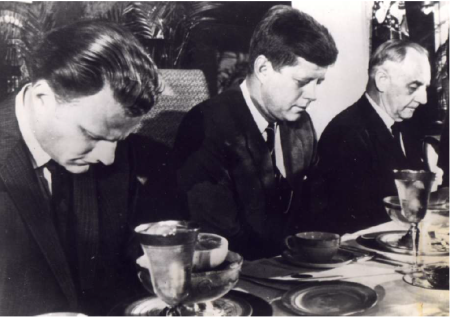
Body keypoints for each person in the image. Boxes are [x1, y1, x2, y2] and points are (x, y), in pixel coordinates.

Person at [0, 21, 162, 315]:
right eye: (92, 135)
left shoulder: (112, 146)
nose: (109, 158)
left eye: (119, 139)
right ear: (42, 98)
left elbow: (125, 267)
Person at [172, 5, 338, 260]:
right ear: (263, 68)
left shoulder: (301, 125)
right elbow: (215, 238)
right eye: (303, 82)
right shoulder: (206, 125)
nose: (313, 95)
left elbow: (316, 212)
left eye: (319, 83)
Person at [310, 39, 434, 235]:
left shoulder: (404, 125)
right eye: (414, 86)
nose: (423, 98)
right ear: (382, 80)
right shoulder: (346, 133)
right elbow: (354, 223)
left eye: (425, 87)